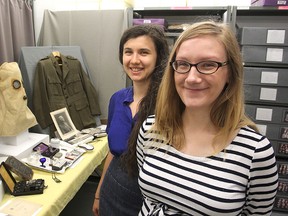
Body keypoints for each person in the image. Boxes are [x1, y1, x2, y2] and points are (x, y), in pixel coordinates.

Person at [136, 20, 279, 215]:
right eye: (183, 64)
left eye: (208, 64)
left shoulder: (255, 152)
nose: (192, 77)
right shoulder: (151, 129)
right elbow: (149, 200)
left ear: (230, 72)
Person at [92, 24, 169, 216]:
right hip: (113, 189)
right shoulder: (117, 99)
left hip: (151, 199)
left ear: (158, 57)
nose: (134, 60)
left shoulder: (169, 104)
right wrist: (99, 193)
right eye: (128, 52)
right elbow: (113, 152)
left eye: (144, 52)